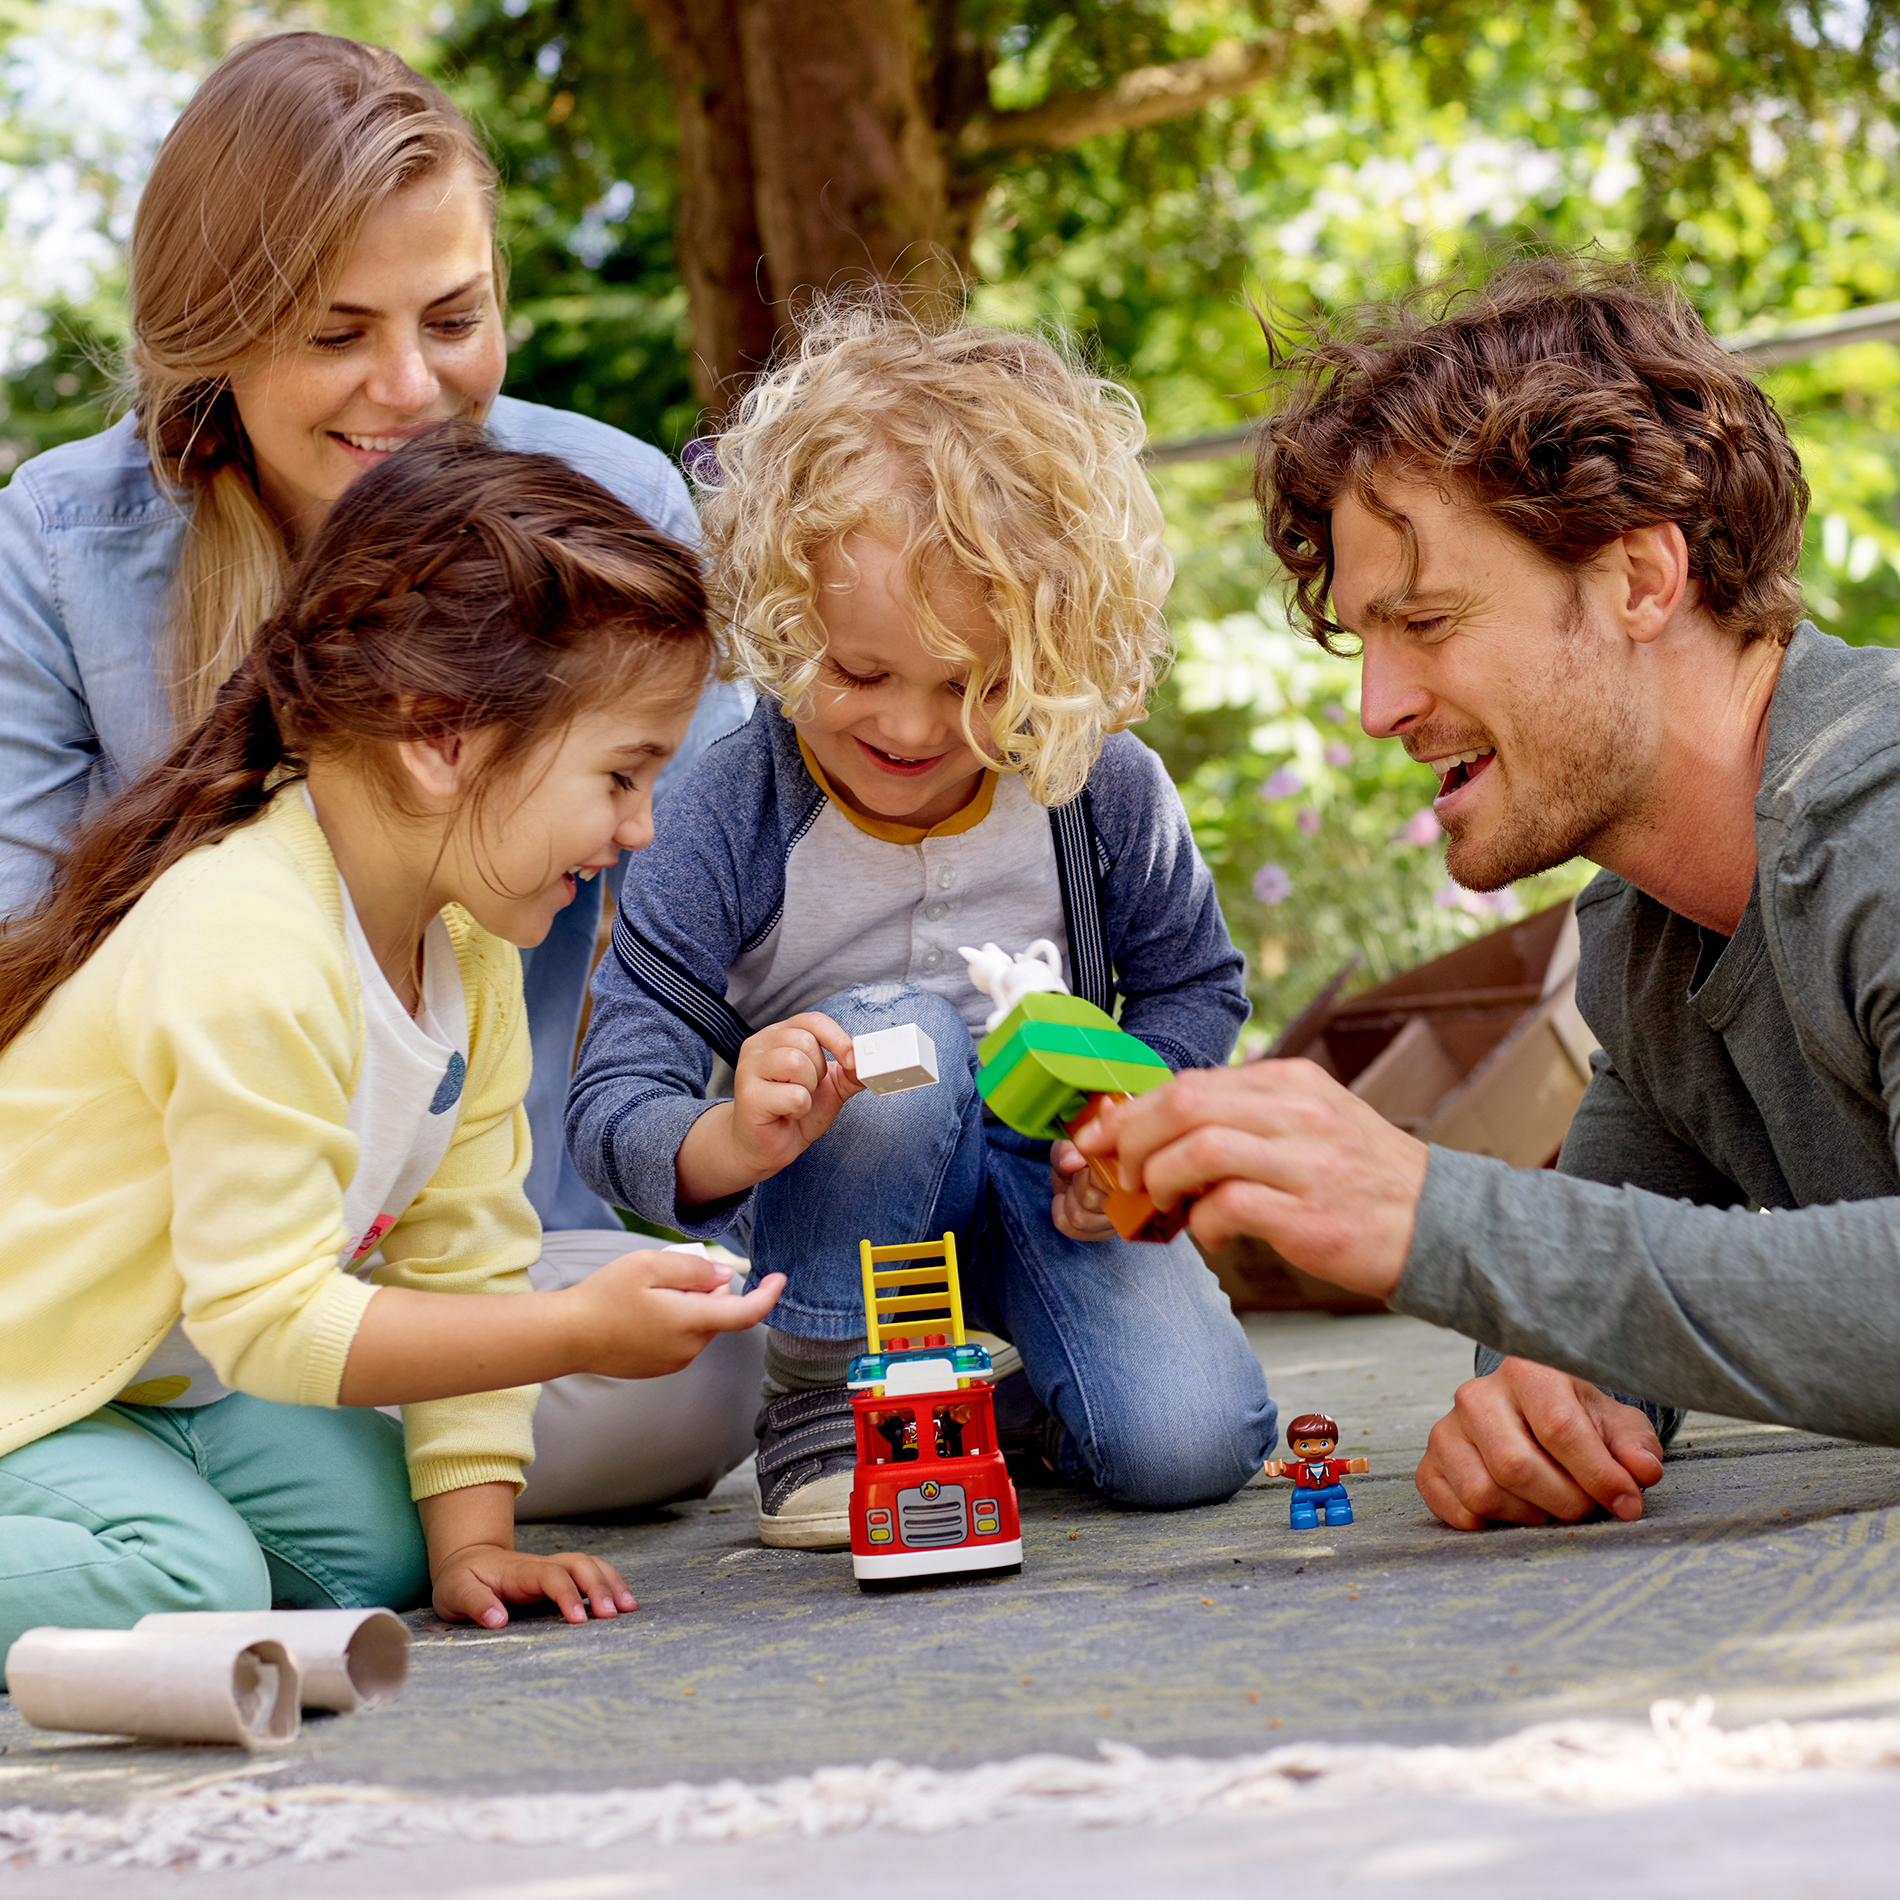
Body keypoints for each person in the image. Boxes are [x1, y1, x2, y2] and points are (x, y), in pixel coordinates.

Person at [1077, 254, 1900, 1532]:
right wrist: (1549, 1393)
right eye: (1367, 640)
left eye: (1430, 621)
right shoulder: (1644, 937)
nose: (1378, 707)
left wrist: (1423, 1210)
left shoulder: (1876, 819)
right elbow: (1596, 1282)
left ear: (1639, 578)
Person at [0, 432, 783, 1676]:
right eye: (622, 775)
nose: (641, 828)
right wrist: (573, 1330)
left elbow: (469, 1250)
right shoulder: (245, 938)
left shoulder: (462, 948)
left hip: (154, 1391)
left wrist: (473, 1543)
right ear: (441, 736)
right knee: (190, 1577)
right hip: (28, 1386)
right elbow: (270, 1324)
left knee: (380, 1549)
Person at [0, 30, 746, 1240]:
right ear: (214, 335)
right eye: (334, 336)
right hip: (177, 1252)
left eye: (452, 320)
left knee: (685, 1387)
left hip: (511, 1236)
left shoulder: (624, 517)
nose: (408, 388)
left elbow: (709, 924)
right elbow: (17, 970)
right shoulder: (56, 551)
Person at [567, 305, 1277, 1550]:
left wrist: (1135, 1127)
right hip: (832, 1192)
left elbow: (1194, 986)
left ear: (1059, 651)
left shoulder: (1097, 785)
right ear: (785, 623)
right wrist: (727, 1134)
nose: (909, 728)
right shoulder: (725, 812)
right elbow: (613, 1095)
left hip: (1041, 1185)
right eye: (860, 672)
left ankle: (1004, 1397)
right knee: (899, 1047)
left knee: (1190, 1447)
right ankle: (827, 1402)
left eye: (975, 683)